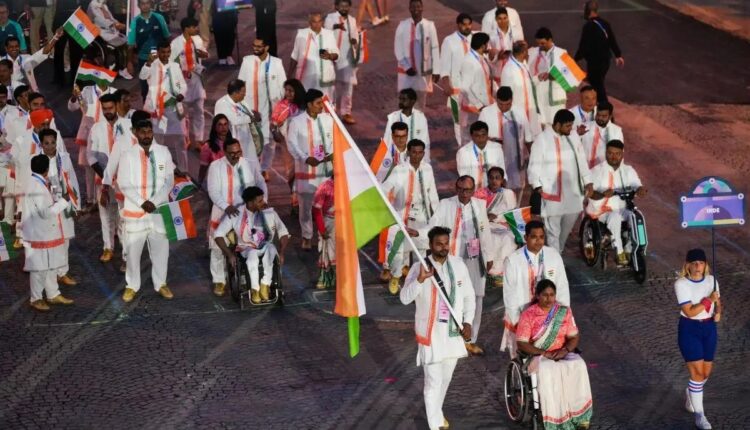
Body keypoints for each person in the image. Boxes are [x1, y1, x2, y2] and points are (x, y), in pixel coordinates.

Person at [400, 226, 475, 430]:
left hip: (452, 335)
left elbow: (468, 297)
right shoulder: (419, 267)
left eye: (446, 243)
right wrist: (419, 280)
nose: (443, 247)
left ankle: (437, 415)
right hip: (431, 335)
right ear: (431, 245)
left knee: (445, 379)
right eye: (439, 244)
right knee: (433, 382)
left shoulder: (459, 265)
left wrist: (467, 322)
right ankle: (435, 425)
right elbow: (404, 298)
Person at [428, 176, 494, 355]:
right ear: (456, 188)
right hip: (454, 258)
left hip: (474, 259)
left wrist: (489, 256)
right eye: (462, 190)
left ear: (474, 190)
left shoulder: (479, 205)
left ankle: (470, 340)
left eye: (469, 190)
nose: (465, 194)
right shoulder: (446, 205)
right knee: (453, 298)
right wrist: (418, 234)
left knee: (477, 298)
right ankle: (449, 339)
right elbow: (432, 228)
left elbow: (485, 231)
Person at [516, 279, 593, 430]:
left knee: (578, 365)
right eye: (545, 295)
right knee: (551, 371)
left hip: (561, 352)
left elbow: (574, 336)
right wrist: (544, 353)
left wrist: (565, 350)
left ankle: (580, 416)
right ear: (537, 295)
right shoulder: (528, 315)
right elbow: (522, 343)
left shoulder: (564, 311)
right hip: (539, 355)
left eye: (552, 295)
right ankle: (557, 419)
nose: (549, 299)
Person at [116, 118, 175, 303]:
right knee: (133, 252)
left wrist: (154, 202)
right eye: (142, 132)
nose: (147, 135)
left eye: (149, 131)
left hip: (158, 212)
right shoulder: (127, 155)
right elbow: (123, 183)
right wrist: (143, 203)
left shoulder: (163, 152)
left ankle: (161, 283)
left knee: (161, 251)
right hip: (136, 212)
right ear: (134, 132)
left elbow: (169, 181)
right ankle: (132, 286)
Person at [206, 138, 266, 297]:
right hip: (221, 212)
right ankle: (219, 280)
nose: (236, 156)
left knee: (245, 245)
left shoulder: (250, 164)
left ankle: (245, 277)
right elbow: (212, 191)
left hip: (245, 214)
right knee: (218, 247)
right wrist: (226, 206)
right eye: (231, 153)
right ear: (224, 152)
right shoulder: (215, 166)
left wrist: (262, 201)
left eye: (238, 152)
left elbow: (260, 183)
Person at [501, 220, 569, 358]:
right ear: (526, 238)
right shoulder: (513, 260)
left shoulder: (553, 256)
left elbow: (562, 288)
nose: (538, 241)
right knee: (522, 361)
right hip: (522, 319)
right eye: (534, 237)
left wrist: (563, 316)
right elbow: (510, 296)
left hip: (550, 320)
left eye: (541, 237)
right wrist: (519, 323)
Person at [528, 109, 592, 252]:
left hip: (573, 195)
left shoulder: (573, 137)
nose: (571, 129)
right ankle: (555, 267)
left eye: (571, 125)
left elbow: (581, 159)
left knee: (564, 233)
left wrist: (588, 181)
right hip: (552, 196)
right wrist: (538, 187)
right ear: (557, 125)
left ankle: (556, 256)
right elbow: (534, 165)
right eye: (567, 126)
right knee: (552, 233)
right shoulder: (542, 140)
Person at [214, 186, 290, 304]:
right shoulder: (236, 214)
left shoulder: (270, 212)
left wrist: (282, 252)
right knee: (253, 254)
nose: (263, 203)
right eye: (259, 201)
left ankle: (265, 286)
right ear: (250, 203)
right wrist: (229, 255)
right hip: (246, 248)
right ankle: (255, 290)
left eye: (262, 199)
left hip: (266, 246)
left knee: (270, 249)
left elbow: (284, 232)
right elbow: (218, 235)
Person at [381, 139, 438, 294]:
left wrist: (436, 217)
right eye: (414, 152)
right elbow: (385, 188)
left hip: (421, 216)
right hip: (402, 216)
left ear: (424, 153)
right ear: (408, 152)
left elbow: (432, 194)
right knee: (398, 250)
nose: (417, 156)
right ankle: (395, 277)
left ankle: (419, 281)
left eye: (420, 152)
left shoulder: (428, 169)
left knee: (422, 249)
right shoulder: (399, 170)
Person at [674, 248, 721, 430]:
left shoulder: (712, 281)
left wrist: (718, 312)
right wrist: (709, 300)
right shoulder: (681, 284)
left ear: (705, 265)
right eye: (693, 263)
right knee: (698, 374)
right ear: (687, 265)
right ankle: (700, 416)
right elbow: (690, 311)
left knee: (705, 374)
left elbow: (718, 302)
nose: (697, 266)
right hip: (689, 329)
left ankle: (691, 392)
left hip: (709, 328)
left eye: (700, 263)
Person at [101, 110, 152, 273]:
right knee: (126, 224)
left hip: (146, 192)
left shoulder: (150, 140)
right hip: (126, 193)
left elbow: (160, 161)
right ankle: (126, 258)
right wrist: (104, 188)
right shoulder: (122, 142)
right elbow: (111, 167)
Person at [23, 154, 75, 312]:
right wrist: (64, 201)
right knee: (39, 268)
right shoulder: (36, 186)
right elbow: (45, 213)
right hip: (38, 234)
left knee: (51, 265)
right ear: (46, 169)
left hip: (47, 233)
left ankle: (53, 294)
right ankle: (36, 298)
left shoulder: (38, 182)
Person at [585, 140, 645, 266]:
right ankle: (619, 252)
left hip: (622, 208)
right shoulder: (596, 171)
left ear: (622, 154)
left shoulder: (628, 170)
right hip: (601, 210)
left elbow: (637, 185)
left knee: (637, 216)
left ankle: (631, 248)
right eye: (610, 153)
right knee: (615, 217)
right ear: (606, 153)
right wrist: (602, 194)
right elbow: (590, 194)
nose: (613, 157)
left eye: (617, 154)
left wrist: (640, 190)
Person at [287, 89, 333, 251]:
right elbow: (292, 144)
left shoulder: (328, 120)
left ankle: (324, 235)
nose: (322, 105)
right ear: (309, 104)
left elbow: (335, 140)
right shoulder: (296, 122)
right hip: (306, 173)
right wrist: (306, 158)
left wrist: (332, 155)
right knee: (306, 208)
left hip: (326, 173)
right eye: (318, 103)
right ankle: (307, 236)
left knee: (326, 207)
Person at [238, 36, 286, 176]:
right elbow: (240, 84)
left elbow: (283, 87)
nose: (255, 49)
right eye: (254, 46)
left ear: (267, 47)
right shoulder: (247, 62)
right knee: (251, 141)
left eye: (259, 46)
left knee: (269, 143)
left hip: (270, 110)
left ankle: (265, 168)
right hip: (251, 110)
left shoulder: (276, 63)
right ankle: (252, 168)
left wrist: (278, 109)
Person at [140, 41, 189, 174]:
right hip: (156, 108)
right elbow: (142, 76)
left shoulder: (174, 66)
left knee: (180, 139)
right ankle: (159, 169)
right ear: (159, 52)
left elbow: (182, 84)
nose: (166, 55)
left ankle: (183, 169)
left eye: (168, 52)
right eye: (163, 52)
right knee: (157, 140)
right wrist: (148, 63)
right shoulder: (152, 65)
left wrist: (181, 94)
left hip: (173, 108)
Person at [39, 128, 79, 286]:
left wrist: (77, 205)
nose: (50, 146)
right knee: (51, 241)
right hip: (48, 206)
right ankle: (50, 274)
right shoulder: (37, 160)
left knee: (65, 240)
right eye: (46, 143)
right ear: (41, 144)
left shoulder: (64, 158)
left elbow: (73, 179)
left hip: (65, 203)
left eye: (53, 143)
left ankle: (63, 272)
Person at [69, 80, 117, 212]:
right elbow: (72, 108)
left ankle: (105, 197)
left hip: (105, 134)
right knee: (89, 168)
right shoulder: (86, 90)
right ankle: (91, 200)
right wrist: (74, 97)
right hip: (88, 132)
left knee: (105, 165)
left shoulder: (114, 92)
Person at [478, 86, 532, 195]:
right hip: (494, 160)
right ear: (496, 100)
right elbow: (478, 137)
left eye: (507, 104)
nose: (504, 108)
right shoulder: (486, 113)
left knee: (514, 191)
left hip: (515, 161)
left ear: (512, 100)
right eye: (501, 104)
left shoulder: (519, 112)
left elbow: (528, 138)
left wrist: (532, 158)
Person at [87, 93, 122, 264]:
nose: (108, 112)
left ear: (117, 106)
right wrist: (106, 177)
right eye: (104, 109)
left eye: (110, 108)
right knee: (105, 215)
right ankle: (108, 248)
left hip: (123, 181)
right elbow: (91, 157)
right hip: (103, 180)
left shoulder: (127, 125)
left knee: (122, 216)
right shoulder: (96, 128)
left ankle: (126, 251)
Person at [170, 17, 208, 152]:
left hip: (196, 78)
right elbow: (171, 64)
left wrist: (203, 54)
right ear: (186, 28)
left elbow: (205, 54)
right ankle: (185, 138)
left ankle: (198, 139)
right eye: (193, 27)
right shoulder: (175, 44)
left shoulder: (197, 40)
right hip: (183, 81)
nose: (196, 29)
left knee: (199, 110)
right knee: (183, 113)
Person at [474, 166, 517, 285]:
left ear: (502, 179)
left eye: (497, 178)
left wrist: (497, 217)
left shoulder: (508, 193)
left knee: (508, 238)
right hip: (485, 225)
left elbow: (511, 214)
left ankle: (501, 273)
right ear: (487, 179)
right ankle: (491, 272)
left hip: (503, 226)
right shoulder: (480, 193)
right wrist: (486, 216)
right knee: (490, 238)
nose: (494, 181)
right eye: (491, 178)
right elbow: (475, 213)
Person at [574, 0, 624, 103]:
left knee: (598, 86)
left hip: (594, 62)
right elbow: (612, 40)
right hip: (605, 61)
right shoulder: (605, 24)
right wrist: (618, 55)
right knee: (598, 84)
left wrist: (576, 59)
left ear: (589, 11)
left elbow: (583, 46)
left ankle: (604, 109)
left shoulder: (588, 26)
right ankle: (599, 107)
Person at [270, 78, 306, 212]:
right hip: (288, 145)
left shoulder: (304, 106)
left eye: (291, 90)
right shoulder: (281, 106)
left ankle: (308, 202)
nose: (288, 93)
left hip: (305, 144)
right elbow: (273, 124)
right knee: (291, 173)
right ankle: (294, 201)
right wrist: (275, 133)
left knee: (305, 172)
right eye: (286, 90)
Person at [438, 13, 473, 146]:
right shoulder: (449, 41)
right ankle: (462, 147)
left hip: (473, 90)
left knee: (472, 119)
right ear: (458, 25)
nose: (467, 27)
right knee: (458, 121)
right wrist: (446, 83)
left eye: (469, 24)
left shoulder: (475, 38)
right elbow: (445, 65)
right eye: (464, 24)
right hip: (456, 90)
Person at [394, 0, 439, 102]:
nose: (416, 9)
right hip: (406, 73)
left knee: (420, 102)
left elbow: (435, 48)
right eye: (413, 7)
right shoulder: (402, 25)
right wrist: (406, 67)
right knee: (405, 102)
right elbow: (398, 49)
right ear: (409, 8)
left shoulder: (429, 26)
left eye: (418, 7)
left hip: (423, 72)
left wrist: (436, 70)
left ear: (422, 8)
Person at [324, 0, 361, 125]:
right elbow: (326, 30)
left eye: (346, 6)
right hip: (332, 56)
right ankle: (330, 111)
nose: (344, 8)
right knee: (331, 85)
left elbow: (355, 35)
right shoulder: (330, 18)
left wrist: (355, 41)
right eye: (341, 6)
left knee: (348, 85)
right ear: (336, 6)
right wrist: (337, 26)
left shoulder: (352, 20)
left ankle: (346, 112)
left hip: (347, 57)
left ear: (350, 7)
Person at [214, 79, 264, 171]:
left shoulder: (242, 103)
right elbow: (232, 120)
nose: (245, 94)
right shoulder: (222, 103)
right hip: (233, 144)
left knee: (253, 169)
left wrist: (255, 117)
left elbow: (250, 116)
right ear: (236, 92)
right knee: (237, 170)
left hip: (247, 142)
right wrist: (251, 118)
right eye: (243, 92)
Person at [290, 12, 339, 101]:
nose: (317, 24)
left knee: (325, 104)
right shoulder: (301, 34)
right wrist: (289, 75)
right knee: (305, 102)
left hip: (324, 77)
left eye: (319, 21)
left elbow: (336, 54)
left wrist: (330, 56)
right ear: (309, 22)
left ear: (322, 22)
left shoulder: (329, 34)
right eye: (314, 22)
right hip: (306, 77)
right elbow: (295, 55)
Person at [128, 0, 171, 99]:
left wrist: (169, 55)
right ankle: (147, 111)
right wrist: (129, 63)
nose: (145, 6)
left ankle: (161, 111)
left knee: (162, 86)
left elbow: (167, 36)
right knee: (145, 89)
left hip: (160, 58)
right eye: (143, 3)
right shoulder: (135, 21)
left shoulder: (159, 17)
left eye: (147, 3)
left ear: (150, 4)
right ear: (139, 5)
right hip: (143, 59)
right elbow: (130, 45)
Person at [457, 32, 494, 145]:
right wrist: (478, 105)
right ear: (483, 46)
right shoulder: (469, 61)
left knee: (481, 141)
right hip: (472, 109)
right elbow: (464, 87)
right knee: (468, 141)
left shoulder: (481, 59)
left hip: (481, 107)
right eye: (487, 44)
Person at [527, 27, 569, 128]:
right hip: (539, 95)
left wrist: (555, 76)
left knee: (557, 124)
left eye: (543, 43)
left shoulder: (562, 53)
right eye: (538, 43)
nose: (540, 46)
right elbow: (528, 72)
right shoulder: (532, 52)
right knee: (541, 125)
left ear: (550, 40)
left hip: (555, 96)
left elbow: (569, 76)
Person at [500, 41, 541, 137]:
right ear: (523, 52)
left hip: (530, 110)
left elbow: (528, 84)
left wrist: (538, 78)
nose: (528, 54)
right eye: (526, 51)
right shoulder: (508, 70)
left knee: (533, 138)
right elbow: (505, 96)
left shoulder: (524, 65)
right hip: (518, 114)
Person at [87, 0, 132, 79]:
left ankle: (122, 67)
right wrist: (115, 25)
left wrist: (118, 23)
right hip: (98, 31)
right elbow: (100, 20)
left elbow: (111, 18)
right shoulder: (93, 4)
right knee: (119, 44)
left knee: (126, 41)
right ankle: (120, 68)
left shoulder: (104, 5)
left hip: (109, 30)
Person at [382, 88, 430, 162]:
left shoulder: (420, 118)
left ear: (412, 101)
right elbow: (386, 141)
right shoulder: (393, 117)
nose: (400, 101)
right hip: (397, 160)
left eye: (404, 99)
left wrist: (426, 163)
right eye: (400, 99)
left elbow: (425, 142)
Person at [456, 121, 504, 190]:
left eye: (483, 135)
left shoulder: (497, 148)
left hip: (494, 190)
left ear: (487, 135)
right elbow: (464, 177)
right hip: (473, 191)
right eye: (477, 136)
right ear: (471, 136)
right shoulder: (463, 152)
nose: (481, 138)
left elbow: (502, 171)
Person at [581, 101, 623, 168]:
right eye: (598, 115)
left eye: (603, 116)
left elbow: (619, 153)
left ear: (610, 116)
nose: (600, 118)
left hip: (602, 171)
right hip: (584, 168)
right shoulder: (585, 126)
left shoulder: (616, 131)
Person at [312, 175, 334, 289]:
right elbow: (316, 209)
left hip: (344, 221)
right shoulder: (325, 187)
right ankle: (324, 278)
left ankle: (338, 278)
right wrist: (322, 228)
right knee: (325, 249)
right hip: (328, 221)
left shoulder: (349, 185)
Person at [487, 7, 517, 85]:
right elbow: (488, 55)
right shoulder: (491, 36)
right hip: (498, 74)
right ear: (496, 20)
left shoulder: (515, 33)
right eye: (499, 19)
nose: (503, 21)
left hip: (512, 71)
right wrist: (497, 57)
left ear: (508, 18)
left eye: (505, 18)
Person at [198, 114, 230, 185]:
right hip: (216, 183)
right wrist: (199, 184)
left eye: (225, 124)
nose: (223, 127)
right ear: (214, 127)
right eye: (220, 125)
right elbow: (203, 168)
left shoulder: (234, 143)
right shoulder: (208, 146)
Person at [211, 0, 238, 65]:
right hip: (218, 10)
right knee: (219, 33)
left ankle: (229, 55)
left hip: (231, 10)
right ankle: (221, 56)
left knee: (230, 34)